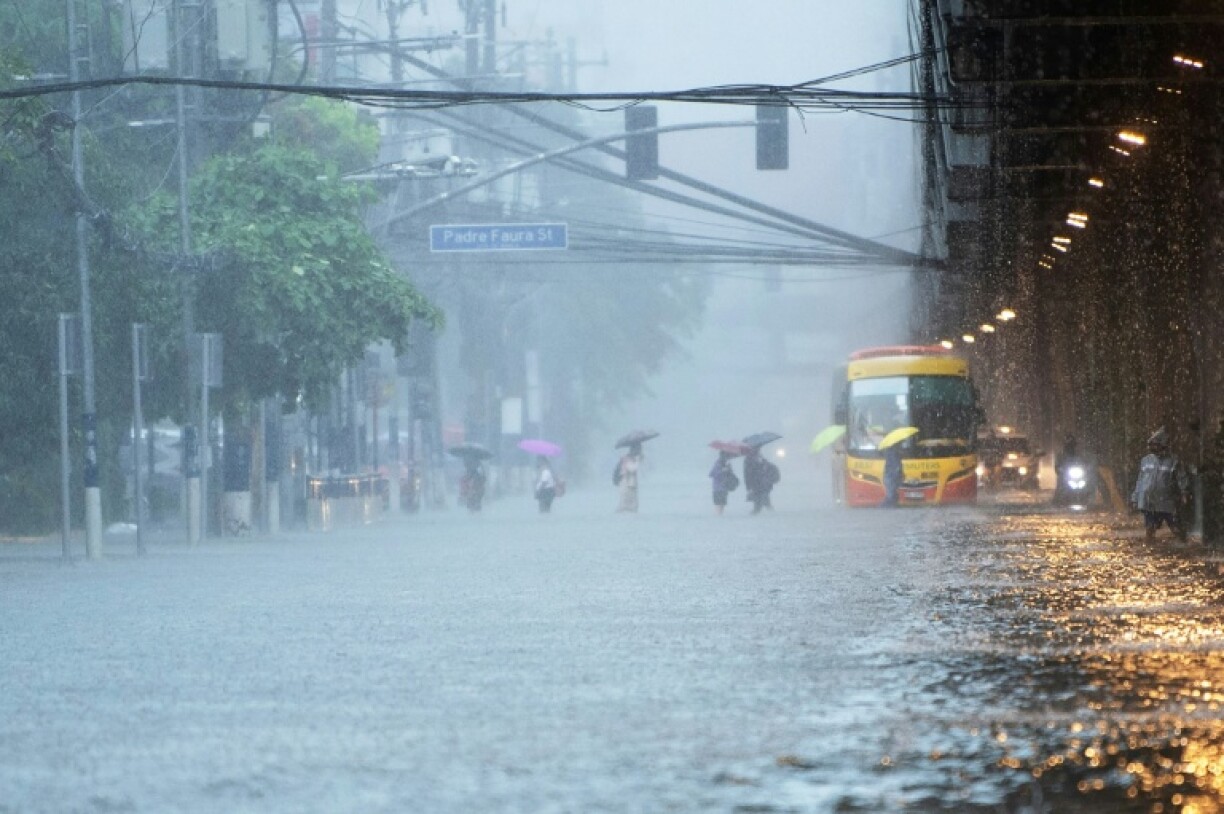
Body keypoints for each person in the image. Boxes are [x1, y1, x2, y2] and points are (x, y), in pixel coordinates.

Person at [1130, 427, 1191, 542]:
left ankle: (1183, 543)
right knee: (1150, 528)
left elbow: (1181, 478)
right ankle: (1150, 546)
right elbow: (1140, 481)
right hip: (1148, 501)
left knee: (1175, 527)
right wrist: (1135, 498)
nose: (1152, 447)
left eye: (1155, 445)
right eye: (1151, 445)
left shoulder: (1173, 461)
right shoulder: (1146, 460)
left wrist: (1184, 492)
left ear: (1163, 445)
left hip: (1166, 501)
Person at [743, 446, 780, 514]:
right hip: (758, 483)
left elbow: (748, 475)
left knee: (762, 499)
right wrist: (749, 486)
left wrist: (749, 486)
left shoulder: (758, 458)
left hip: (761, 483)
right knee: (761, 499)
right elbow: (748, 474)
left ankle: (766, 512)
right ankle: (768, 512)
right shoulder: (750, 460)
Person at [709, 451, 740, 515]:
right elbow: (712, 474)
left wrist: (729, 469)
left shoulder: (727, 464)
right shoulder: (717, 463)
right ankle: (718, 516)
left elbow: (730, 474)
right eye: (725, 456)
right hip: (718, 487)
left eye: (727, 456)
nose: (726, 457)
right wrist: (722, 470)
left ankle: (720, 515)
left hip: (725, 486)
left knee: (723, 503)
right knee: (718, 503)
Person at [615, 444, 642, 512]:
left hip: (631, 484)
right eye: (639, 449)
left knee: (633, 503)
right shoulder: (627, 458)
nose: (640, 451)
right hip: (626, 484)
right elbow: (632, 468)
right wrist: (638, 460)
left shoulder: (631, 458)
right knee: (625, 503)